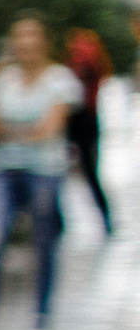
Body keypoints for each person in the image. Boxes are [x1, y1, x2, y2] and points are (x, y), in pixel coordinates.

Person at [0, 14, 82, 330]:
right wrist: (23, 131)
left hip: (44, 169)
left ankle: (41, 314)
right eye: (20, 37)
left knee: (43, 242)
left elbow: (49, 130)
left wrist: (11, 131)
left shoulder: (60, 80)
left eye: (33, 36)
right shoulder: (1, 78)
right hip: (4, 169)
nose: (26, 44)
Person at [64, 25, 115, 234]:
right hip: (81, 117)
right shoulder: (85, 56)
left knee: (86, 169)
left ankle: (105, 217)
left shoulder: (83, 58)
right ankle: (104, 217)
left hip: (83, 117)